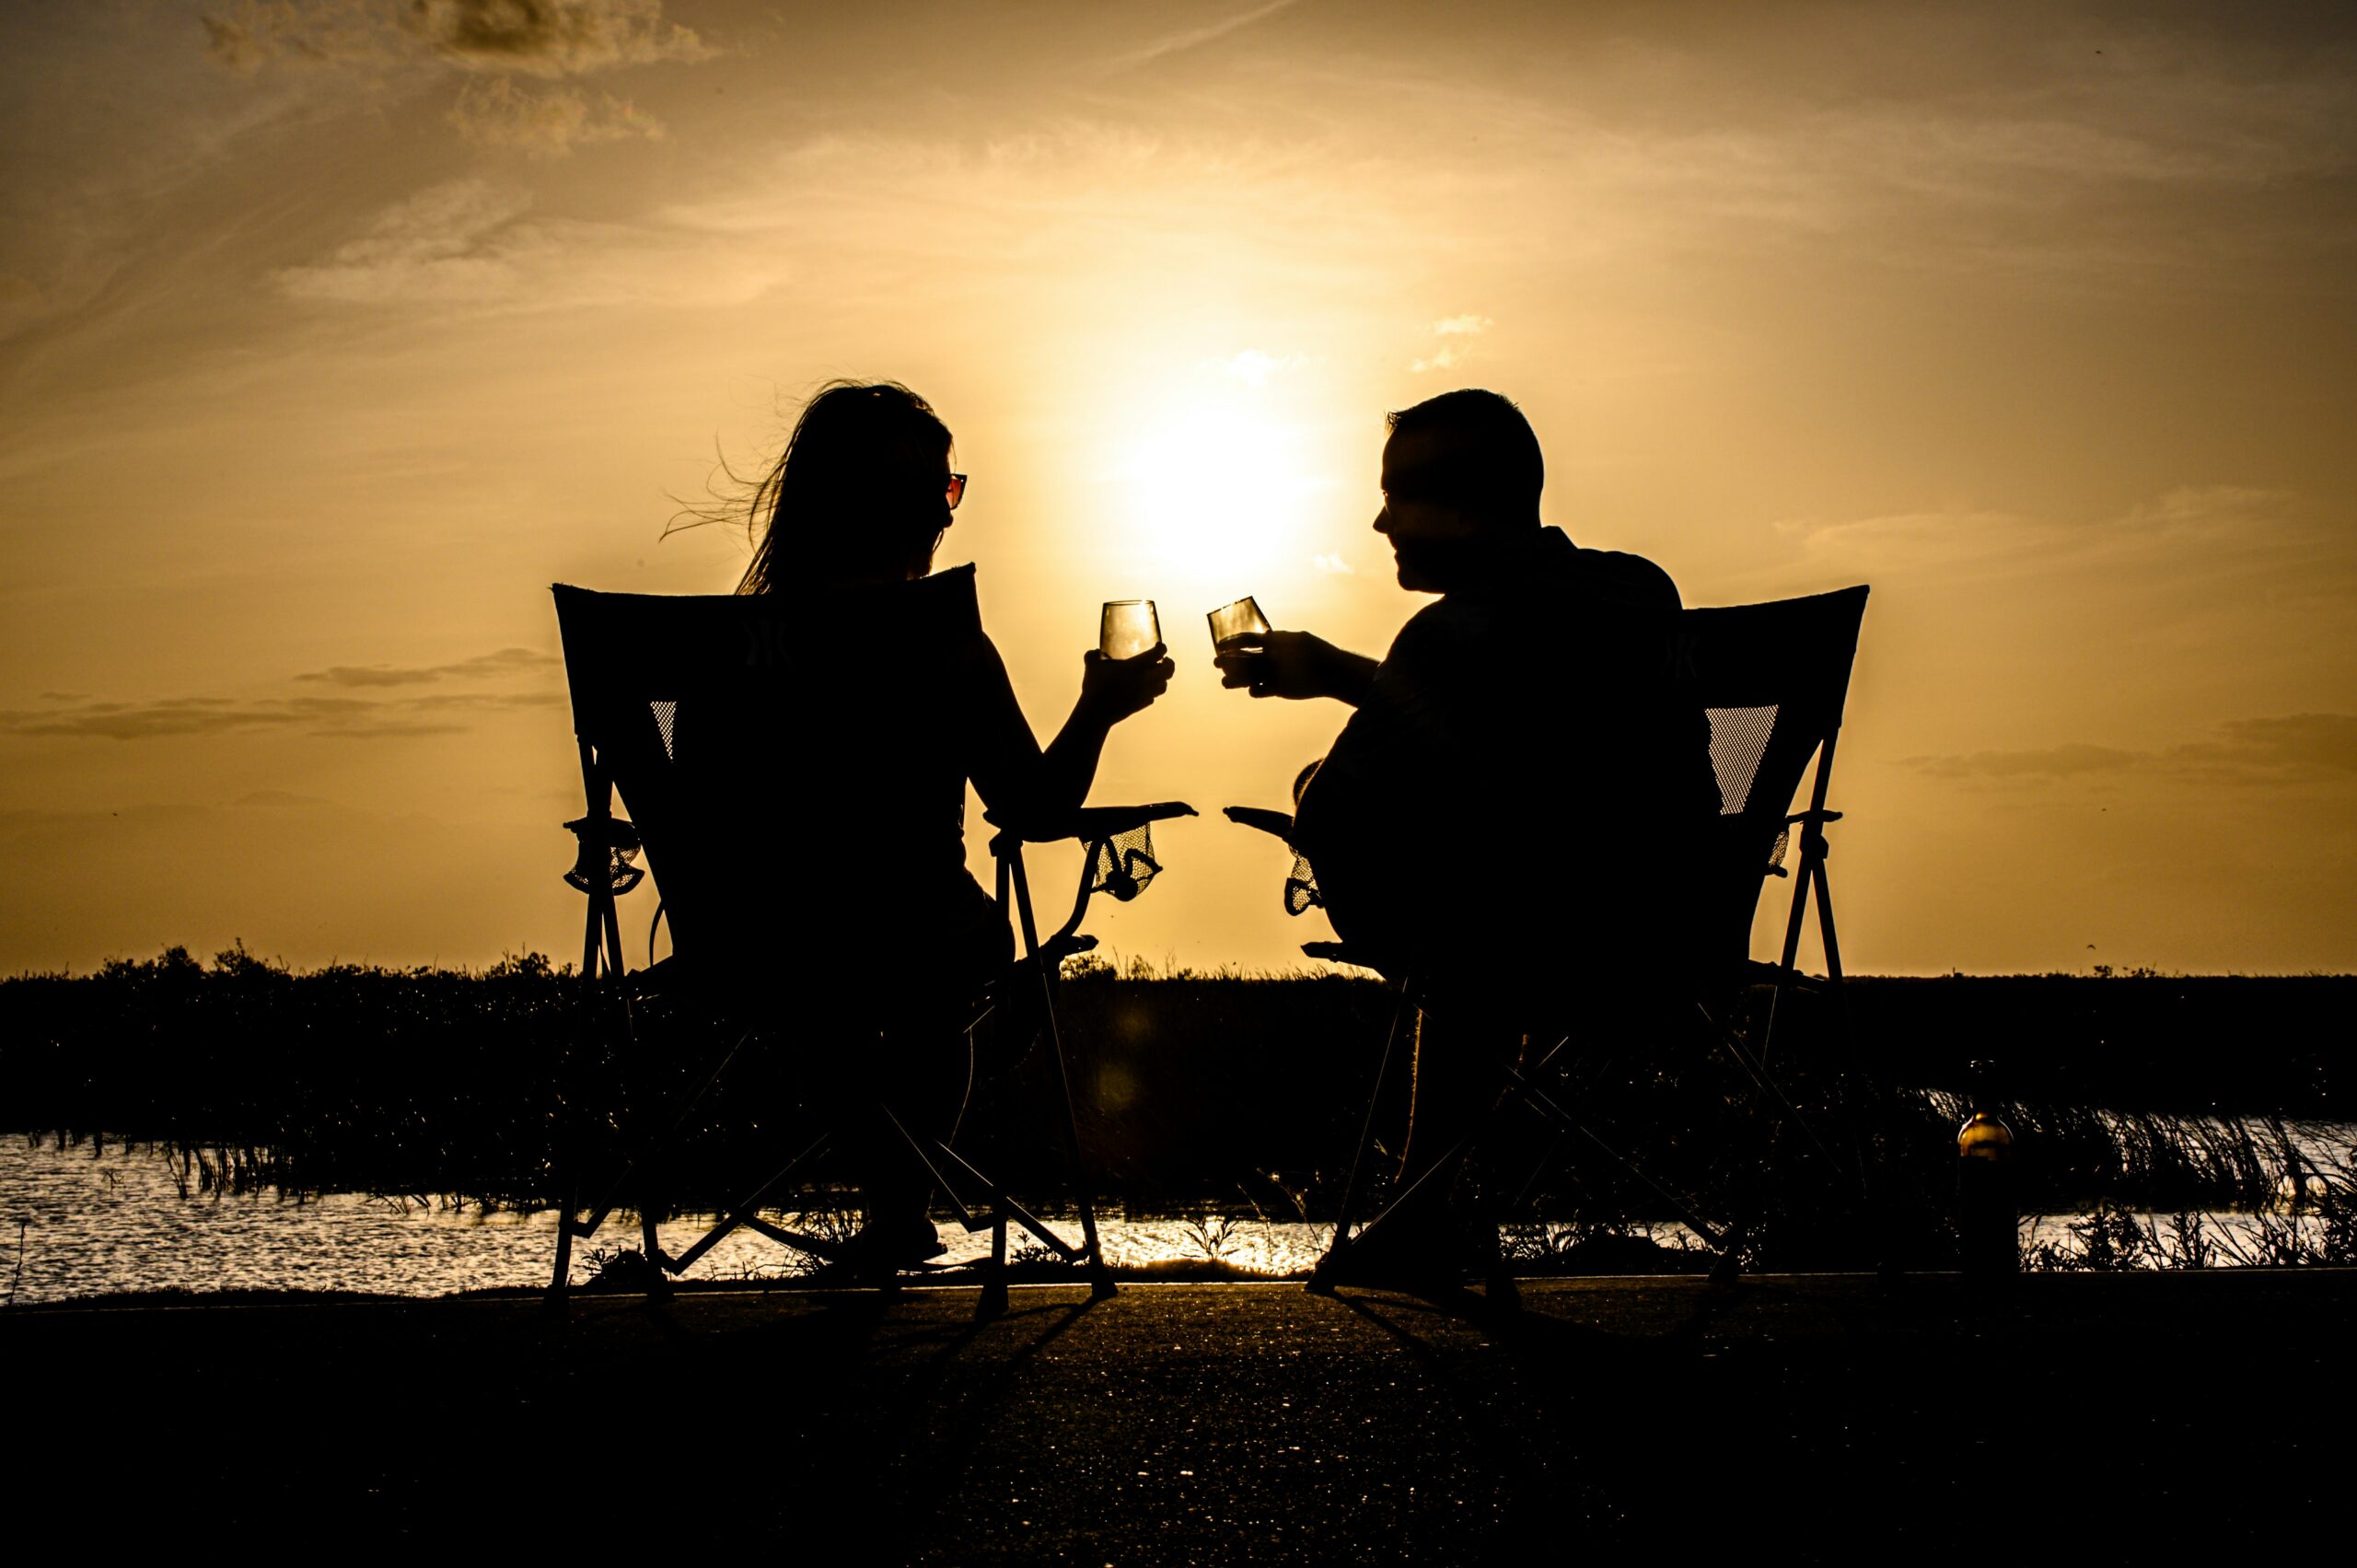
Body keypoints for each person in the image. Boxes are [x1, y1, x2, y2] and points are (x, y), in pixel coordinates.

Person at [1215, 388, 1717, 1278]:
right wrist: (1347, 675)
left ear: (1465, 502)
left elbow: (1339, 811)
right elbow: (1532, 740)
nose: (1378, 521)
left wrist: (1318, 760)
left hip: (1535, 946)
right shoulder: (1642, 591)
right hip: (1676, 933)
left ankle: (1420, 1214)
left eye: (1397, 494)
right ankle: (1429, 1207)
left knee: (1454, 922)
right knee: (1485, 894)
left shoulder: (1448, 635)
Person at [682, 379, 1172, 1271]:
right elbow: (1032, 808)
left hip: (749, 947)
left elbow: (694, 798)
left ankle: (892, 1207)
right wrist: (1099, 708)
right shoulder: (938, 641)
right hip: (918, 944)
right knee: (940, 972)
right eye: (941, 490)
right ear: (904, 507)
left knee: (829, 983)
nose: (949, 513)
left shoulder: (722, 651)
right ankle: (900, 1203)